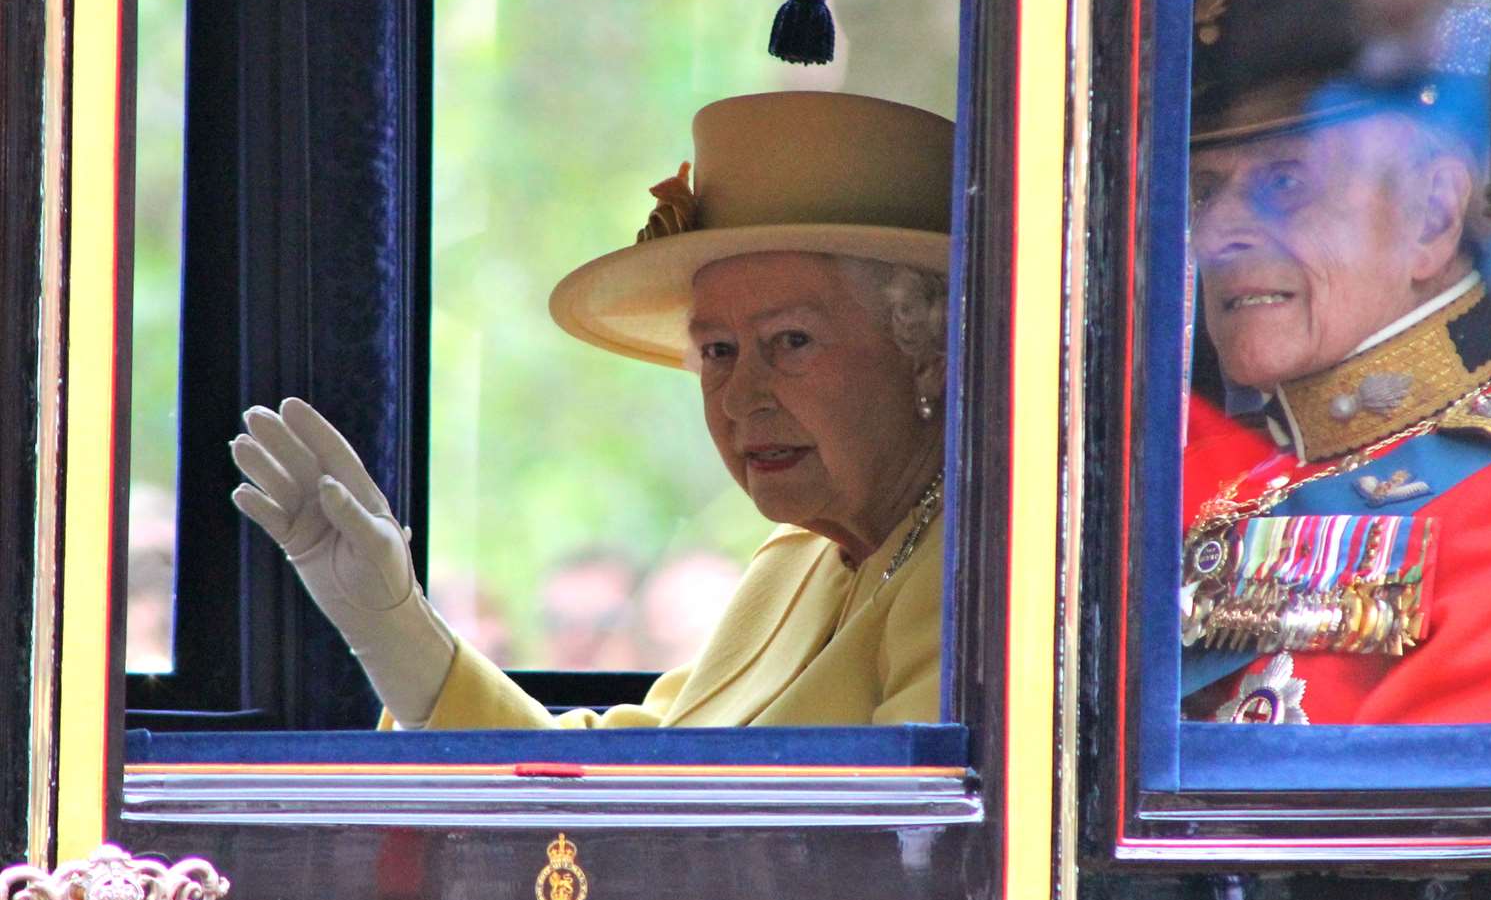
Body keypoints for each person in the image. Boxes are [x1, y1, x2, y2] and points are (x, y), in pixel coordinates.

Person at [228, 91, 952, 729]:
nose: (739, 397)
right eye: (718, 351)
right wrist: (394, 628)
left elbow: (893, 859)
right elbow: (628, 782)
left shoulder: (973, 575)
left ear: (928, 349)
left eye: (791, 341)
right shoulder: (798, 562)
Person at [1179, 52, 1491, 724]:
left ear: (1433, 215)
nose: (1217, 234)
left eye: (1287, 181)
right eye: (1203, 194)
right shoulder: (1193, 468)